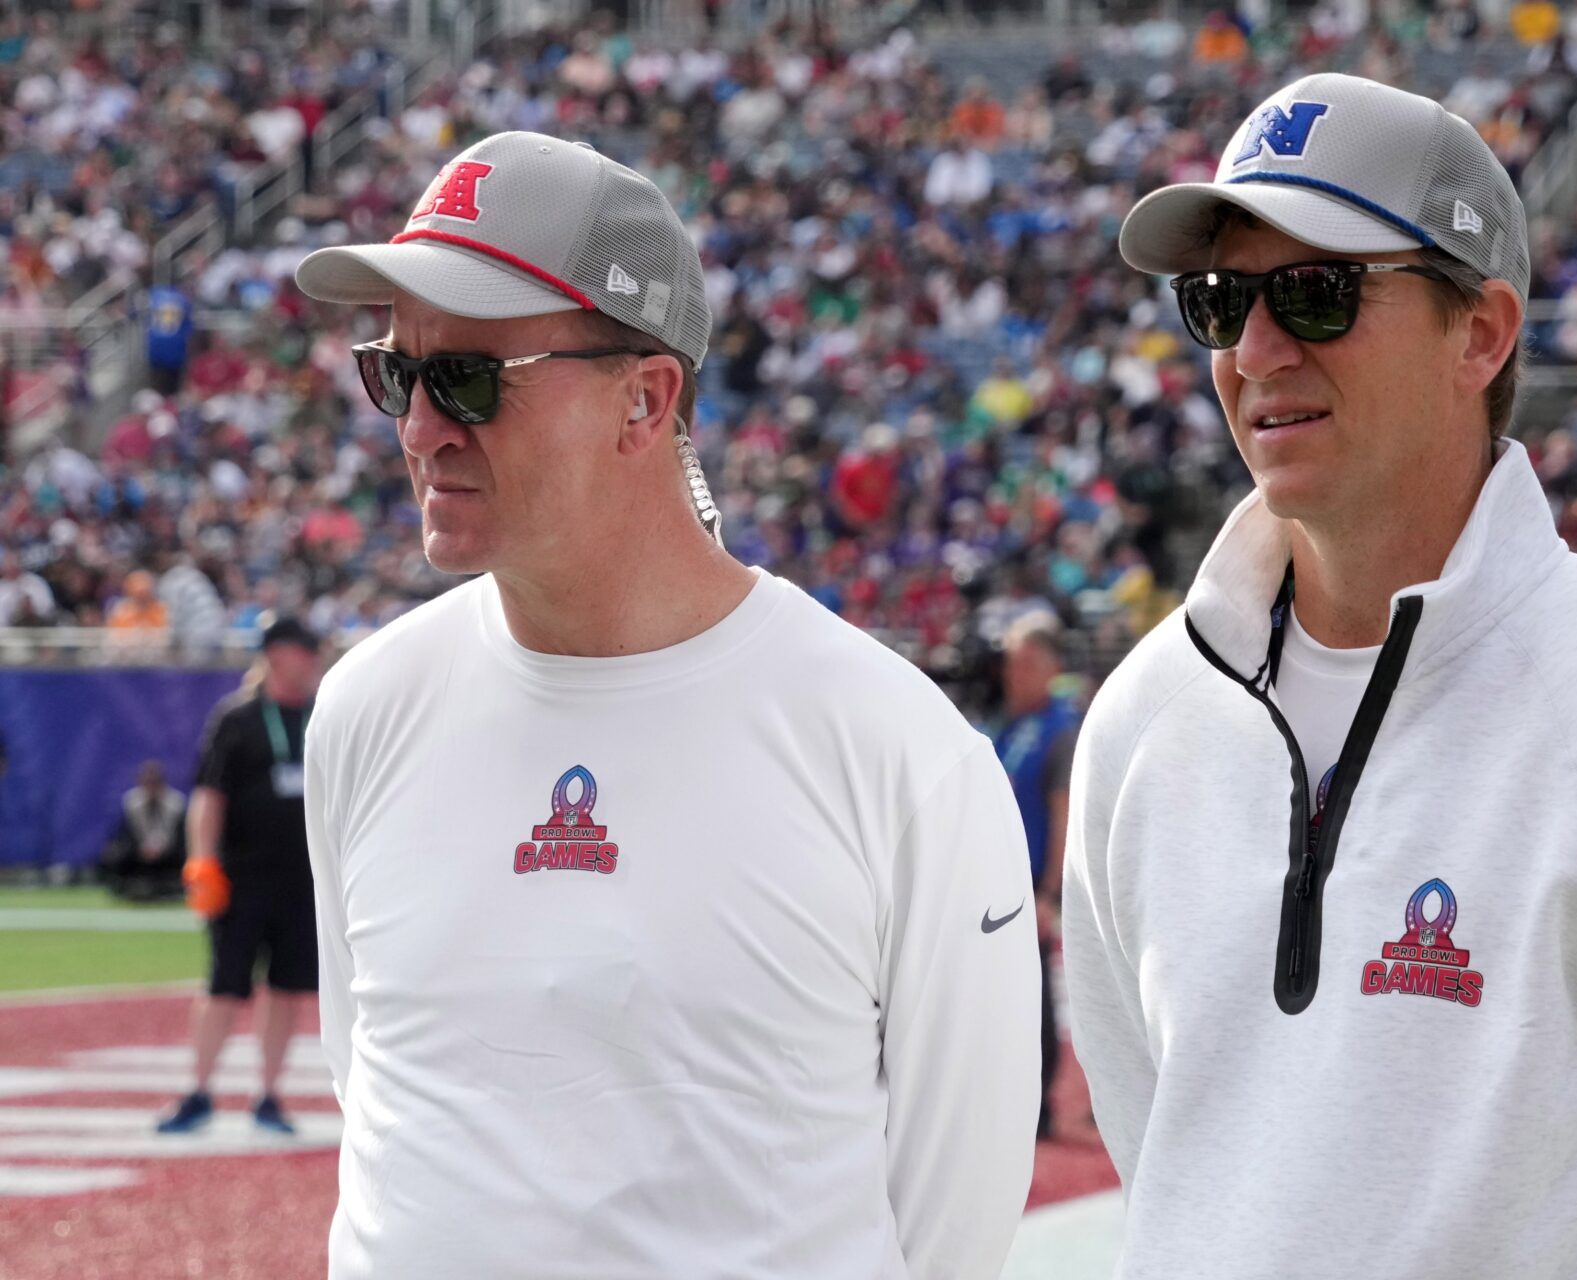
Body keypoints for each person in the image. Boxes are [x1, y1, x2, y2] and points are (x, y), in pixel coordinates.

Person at [1064, 73, 1577, 1279]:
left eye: (1315, 291)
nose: (1254, 348)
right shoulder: (1141, 721)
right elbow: (1171, 1161)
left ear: (1483, 332)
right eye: (1218, 299)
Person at [293, 131, 1037, 1279]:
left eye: (469, 378)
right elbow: (379, 1089)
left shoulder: (893, 746)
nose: (421, 425)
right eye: (397, 371)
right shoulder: (365, 708)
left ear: (645, 400)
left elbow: (956, 1221)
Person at [157, 615, 323, 1136]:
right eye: (305, 651)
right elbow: (209, 797)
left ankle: (268, 1093)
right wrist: (201, 860)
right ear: (276, 655)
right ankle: (199, 1088)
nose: (314, 661)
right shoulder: (238, 718)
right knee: (224, 986)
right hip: (242, 878)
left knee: (287, 989)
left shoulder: (323, 716)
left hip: (303, 881)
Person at [991, 611, 1079, 1139]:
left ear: (1048, 667)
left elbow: (1062, 810)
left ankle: (1040, 1105)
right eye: (1010, 664)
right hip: (999, 884)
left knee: (1035, 997)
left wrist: (1050, 891)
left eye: (1023, 664)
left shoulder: (1059, 730)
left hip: (1031, 888)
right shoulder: (1011, 725)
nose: (1012, 674)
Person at [100, 759, 187, 901]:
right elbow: (125, 835)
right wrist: (141, 847)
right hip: (139, 853)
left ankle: (175, 886)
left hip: (168, 855)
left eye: (155, 782)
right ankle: (123, 886)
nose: (151, 787)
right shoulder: (131, 802)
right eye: (148, 782)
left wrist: (162, 847)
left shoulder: (176, 803)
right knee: (114, 853)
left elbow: (180, 837)